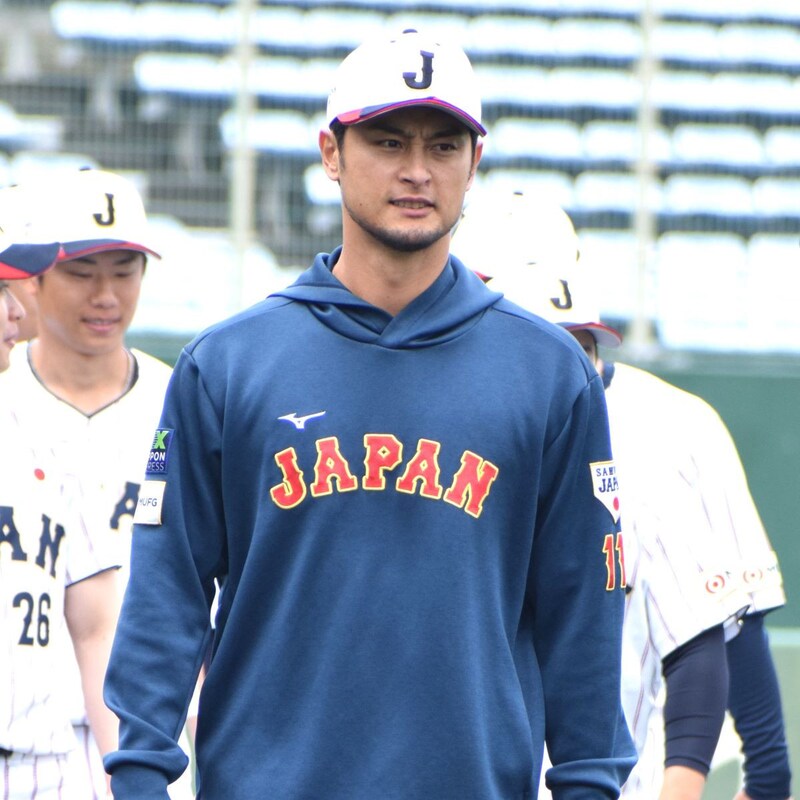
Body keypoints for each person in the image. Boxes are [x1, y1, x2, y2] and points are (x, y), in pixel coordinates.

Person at [103, 28, 636, 799]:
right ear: (331, 153)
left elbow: (583, 617)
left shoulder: (549, 373)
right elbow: (168, 597)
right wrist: (142, 779)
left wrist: (589, 785)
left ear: (474, 164)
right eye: (388, 141)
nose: (417, 171)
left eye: (445, 147)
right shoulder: (227, 365)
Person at [451, 188, 793, 800]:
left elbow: (718, 633)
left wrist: (765, 777)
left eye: (577, 343)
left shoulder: (673, 425)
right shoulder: (431, 424)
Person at [0, 169, 195, 799]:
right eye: (82, 272)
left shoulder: (184, 404)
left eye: (124, 269)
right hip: (27, 731)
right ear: (33, 278)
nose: (105, 294)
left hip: (151, 734)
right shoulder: (8, 402)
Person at [1, 221, 121, 798]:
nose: (15, 314)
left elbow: (95, 625)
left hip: (42, 767)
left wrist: (130, 774)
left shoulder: (42, 438)